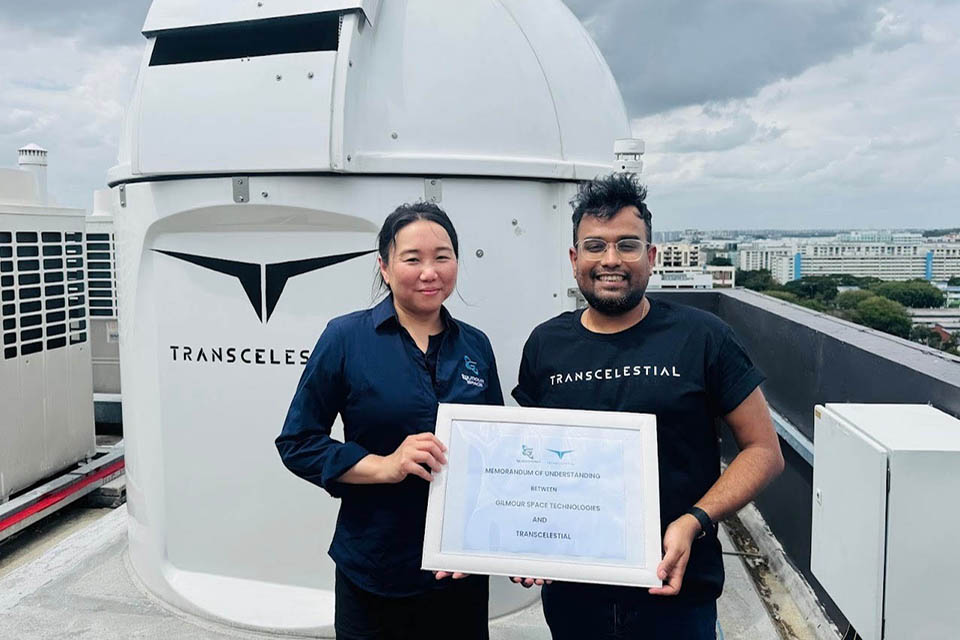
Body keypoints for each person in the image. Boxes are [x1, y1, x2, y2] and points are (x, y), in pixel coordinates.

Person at [511, 173, 785, 640]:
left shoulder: (703, 337)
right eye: (595, 246)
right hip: (575, 594)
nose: (611, 260)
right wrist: (524, 538)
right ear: (575, 259)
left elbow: (764, 451)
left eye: (628, 245)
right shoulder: (545, 344)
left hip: (678, 591)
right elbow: (530, 458)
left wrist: (694, 520)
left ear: (652, 257)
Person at [276, 202, 502, 640]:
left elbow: (492, 456)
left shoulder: (476, 346)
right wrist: (385, 465)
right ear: (384, 265)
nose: (429, 271)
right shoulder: (345, 338)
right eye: (412, 258)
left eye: (442, 256)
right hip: (374, 569)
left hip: (458, 575)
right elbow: (298, 442)